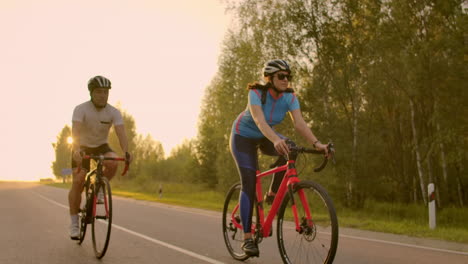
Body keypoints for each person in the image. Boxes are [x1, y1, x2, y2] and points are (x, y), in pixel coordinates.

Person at [229, 59, 330, 257]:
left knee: (291, 148)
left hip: (266, 136)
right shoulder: (256, 93)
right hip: (243, 137)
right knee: (249, 182)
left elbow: (300, 124)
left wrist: (317, 144)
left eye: (288, 76)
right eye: (281, 76)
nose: (286, 80)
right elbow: (259, 120)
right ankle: (248, 238)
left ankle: (272, 193)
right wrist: (275, 139)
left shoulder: (290, 97)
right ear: (269, 78)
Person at [68, 75, 131, 240]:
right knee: (78, 181)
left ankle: (100, 187)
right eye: (98, 92)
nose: (102, 95)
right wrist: (76, 150)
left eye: (105, 92)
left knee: (113, 161)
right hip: (81, 147)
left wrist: (126, 151)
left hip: (101, 145)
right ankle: (74, 223)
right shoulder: (81, 109)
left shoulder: (113, 112)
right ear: (91, 93)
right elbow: (75, 131)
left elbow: (121, 132)